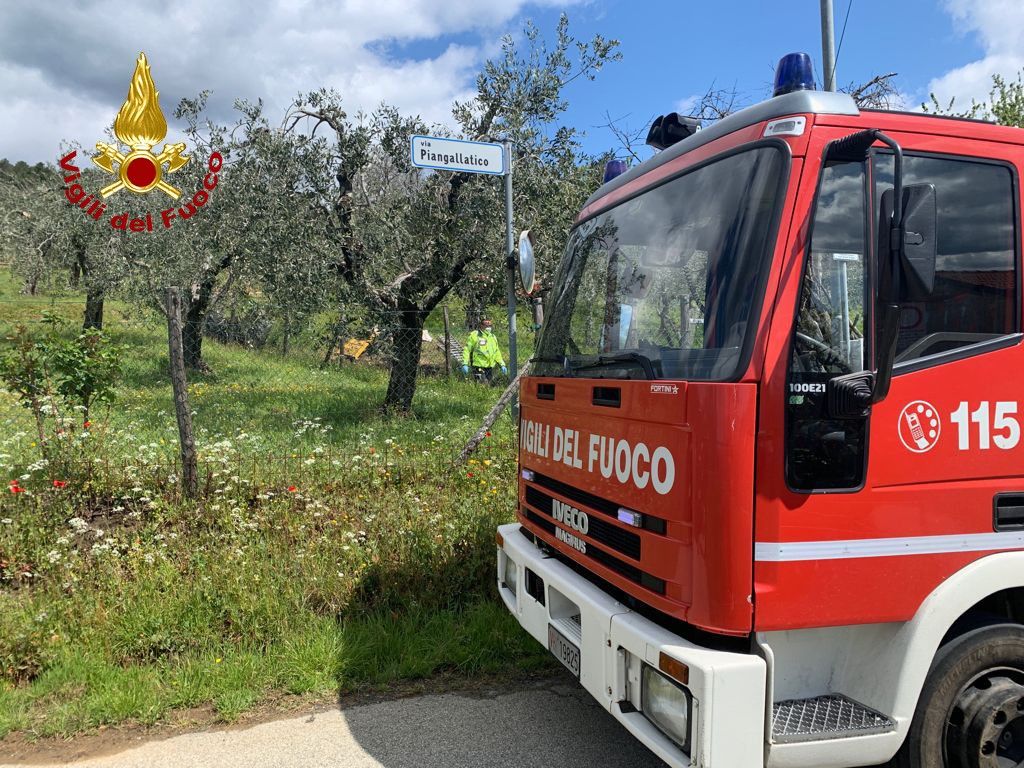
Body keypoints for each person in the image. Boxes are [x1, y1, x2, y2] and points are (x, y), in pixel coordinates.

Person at [461, 318, 507, 382]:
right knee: (482, 384)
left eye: (490, 325)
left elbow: (497, 352)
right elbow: (467, 350)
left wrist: (502, 364)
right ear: (481, 325)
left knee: (489, 384)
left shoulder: (493, 337)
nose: (488, 327)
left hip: (489, 366)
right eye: (486, 325)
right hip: (478, 366)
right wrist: (465, 363)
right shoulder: (475, 335)